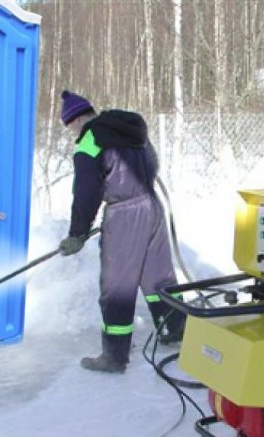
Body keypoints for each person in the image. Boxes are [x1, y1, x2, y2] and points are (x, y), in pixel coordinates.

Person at [58, 90, 185, 373]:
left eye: (70, 127)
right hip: (153, 206)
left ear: (77, 120)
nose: (72, 133)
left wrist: (77, 232)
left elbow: (86, 192)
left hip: (125, 214)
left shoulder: (90, 141)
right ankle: (174, 330)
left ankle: (114, 356)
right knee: (159, 277)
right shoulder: (129, 130)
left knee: (118, 285)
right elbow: (153, 163)